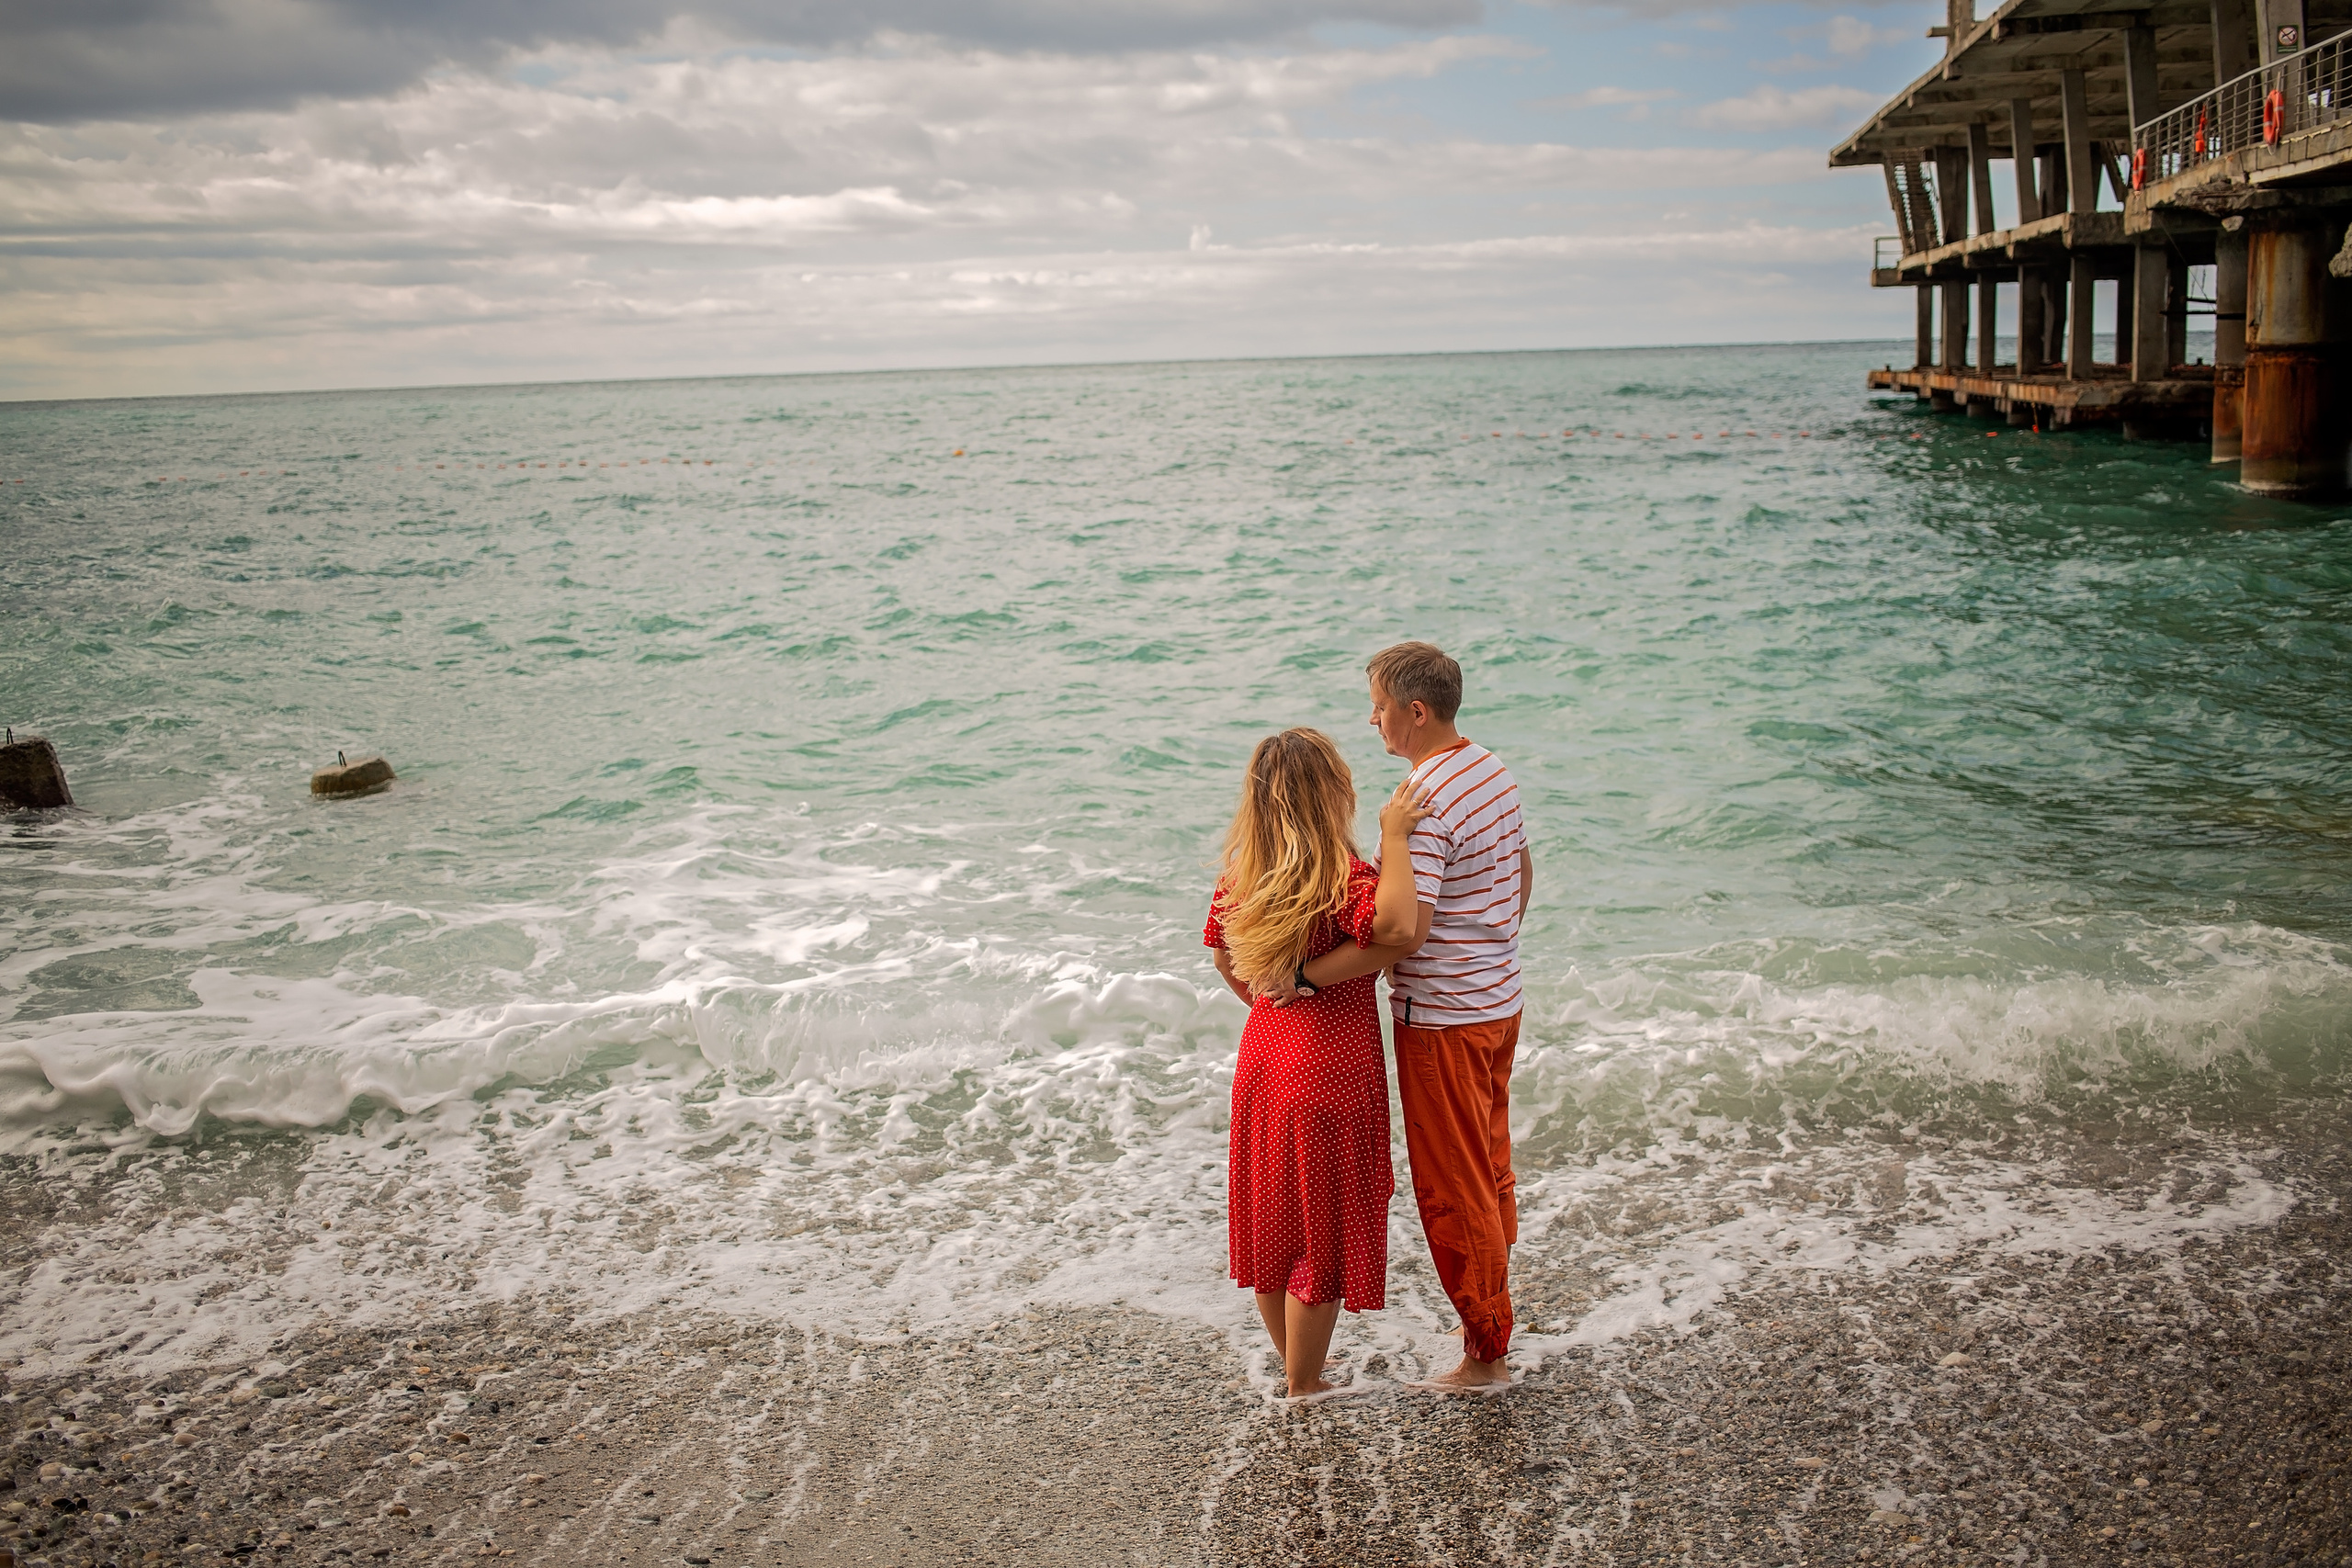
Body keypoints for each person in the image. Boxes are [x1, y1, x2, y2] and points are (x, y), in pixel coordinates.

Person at [1205, 728, 1429, 1400]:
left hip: (1264, 1059)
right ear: (1334, 794)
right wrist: (1395, 836)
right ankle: (1304, 1386)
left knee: (1275, 1233)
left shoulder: (1241, 877)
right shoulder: (1345, 879)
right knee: (1320, 1239)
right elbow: (1395, 930)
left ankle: (1299, 1373)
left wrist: (1276, 1002)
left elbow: (1223, 957)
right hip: (1331, 1067)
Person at [1362, 641, 1532, 1393]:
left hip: (1442, 1020)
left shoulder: (1421, 801)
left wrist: (1392, 838)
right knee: (1488, 1167)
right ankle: (1494, 1312)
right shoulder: (1491, 767)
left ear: (1416, 710)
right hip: (1499, 999)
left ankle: (1485, 1353)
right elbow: (1522, 873)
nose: (1372, 720)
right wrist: (1489, 945)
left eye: (1379, 706)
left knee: (1454, 1186)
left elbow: (1407, 930)